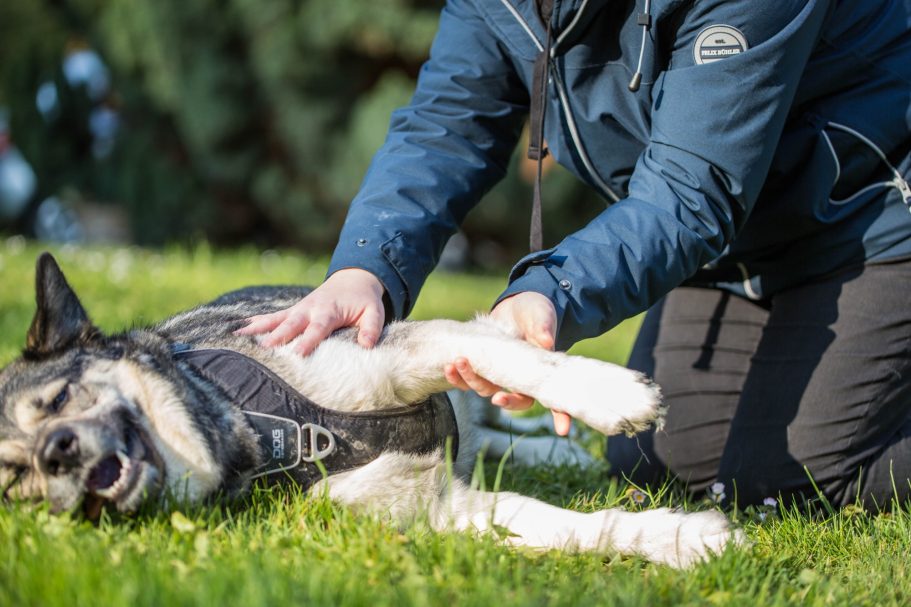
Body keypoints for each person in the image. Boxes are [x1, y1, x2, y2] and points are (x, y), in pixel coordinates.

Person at [238, 0, 911, 509]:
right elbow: (446, 128)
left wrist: (548, 292)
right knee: (657, 459)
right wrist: (367, 267)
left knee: (790, 477)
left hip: (871, 217)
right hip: (742, 246)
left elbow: (691, 192)